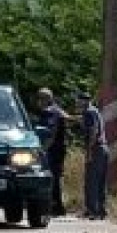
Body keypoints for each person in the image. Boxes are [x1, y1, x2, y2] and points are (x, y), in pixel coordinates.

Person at [35, 87, 69, 215]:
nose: (38, 101)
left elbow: (51, 133)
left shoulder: (50, 112)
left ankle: (56, 207)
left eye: (40, 98)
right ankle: (57, 206)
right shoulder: (58, 110)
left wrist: (43, 150)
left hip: (53, 150)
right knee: (55, 177)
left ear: (46, 99)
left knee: (52, 178)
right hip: (58, 149)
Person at [80, 91, 109, 220]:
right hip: (103, 149)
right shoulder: (95, 111)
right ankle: (101, 210)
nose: (77, 103)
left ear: (83, 101)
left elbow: (93, 131)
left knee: (91, 181)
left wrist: (89, 151)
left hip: (96, 149)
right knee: (100, 182)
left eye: (79, 100)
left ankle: (92, 210)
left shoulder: (88, 112)